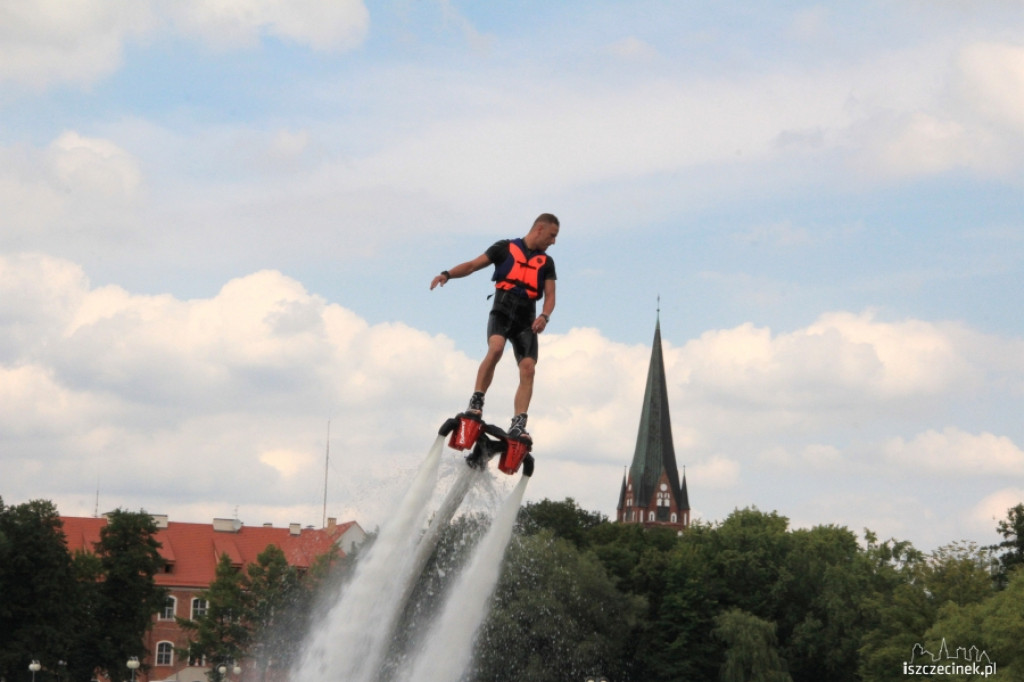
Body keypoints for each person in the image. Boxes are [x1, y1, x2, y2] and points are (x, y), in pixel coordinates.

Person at [430, 213, 559, 442]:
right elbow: (472, 265)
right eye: (551, 235)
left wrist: (544, 316)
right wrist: (447, 274)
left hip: (526, 319)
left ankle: (518, 422)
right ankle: (477, 400)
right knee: (496, 348)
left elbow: (550, 296)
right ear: (539, 229)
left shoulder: (547, 263)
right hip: (502, 311)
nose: (553, 241)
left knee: (528, 368)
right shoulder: (504, 248)